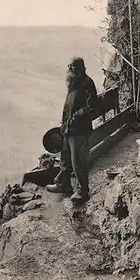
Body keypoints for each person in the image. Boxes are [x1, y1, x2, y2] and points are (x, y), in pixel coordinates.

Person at [46, 57, 97, 203]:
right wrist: (63, 123)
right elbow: (68, 106)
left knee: (78, 160)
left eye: (72, 68)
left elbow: (91, 107)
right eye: (69, 68)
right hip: (68, 128)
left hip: (79, 129)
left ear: (80, 70)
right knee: (65, 157)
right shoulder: (73, 83)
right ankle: (63, 184)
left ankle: (82, 191)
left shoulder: (87, 83)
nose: (69, 71)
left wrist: (75, 116)